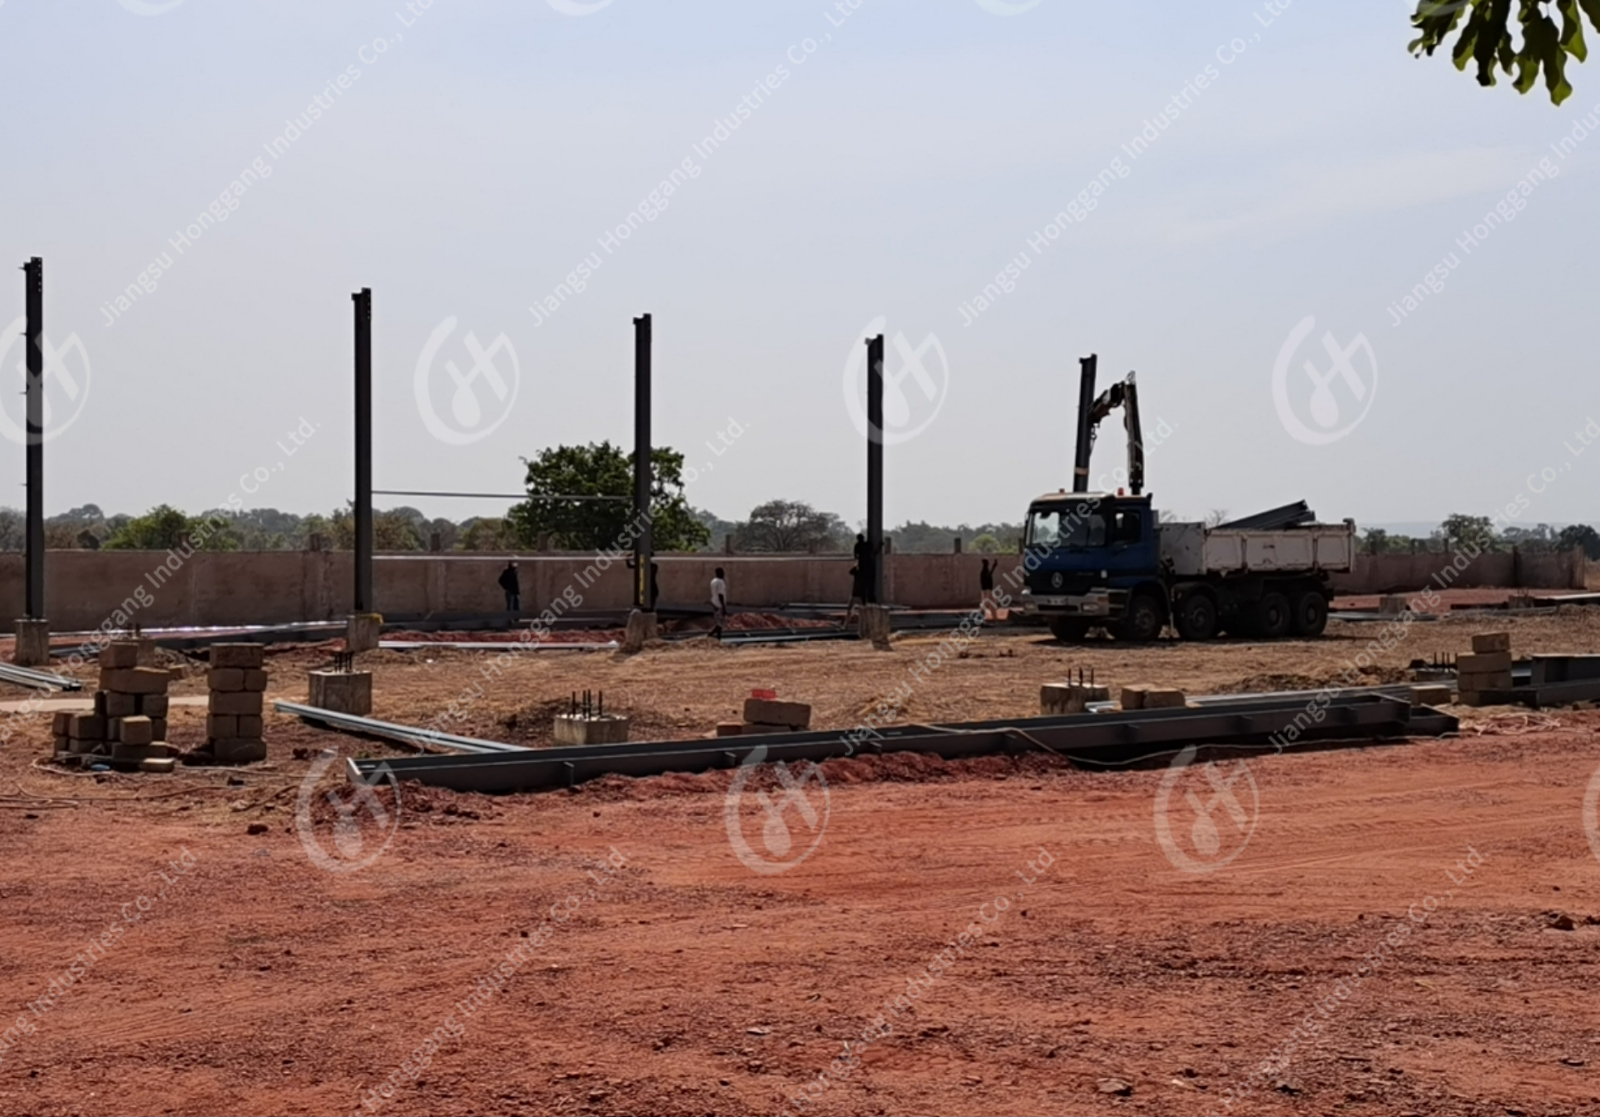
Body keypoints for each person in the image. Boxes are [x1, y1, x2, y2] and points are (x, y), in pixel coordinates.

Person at [710, 567, 728, 639]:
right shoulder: (720, 582)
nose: (723, 574)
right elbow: (720, 595)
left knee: (719, 623)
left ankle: (718, 638)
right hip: (719, 604)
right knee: (720, 624)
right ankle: (710, 635)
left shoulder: (713, 581)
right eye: (722, 572)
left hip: (714, 603)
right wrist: (723, 607)